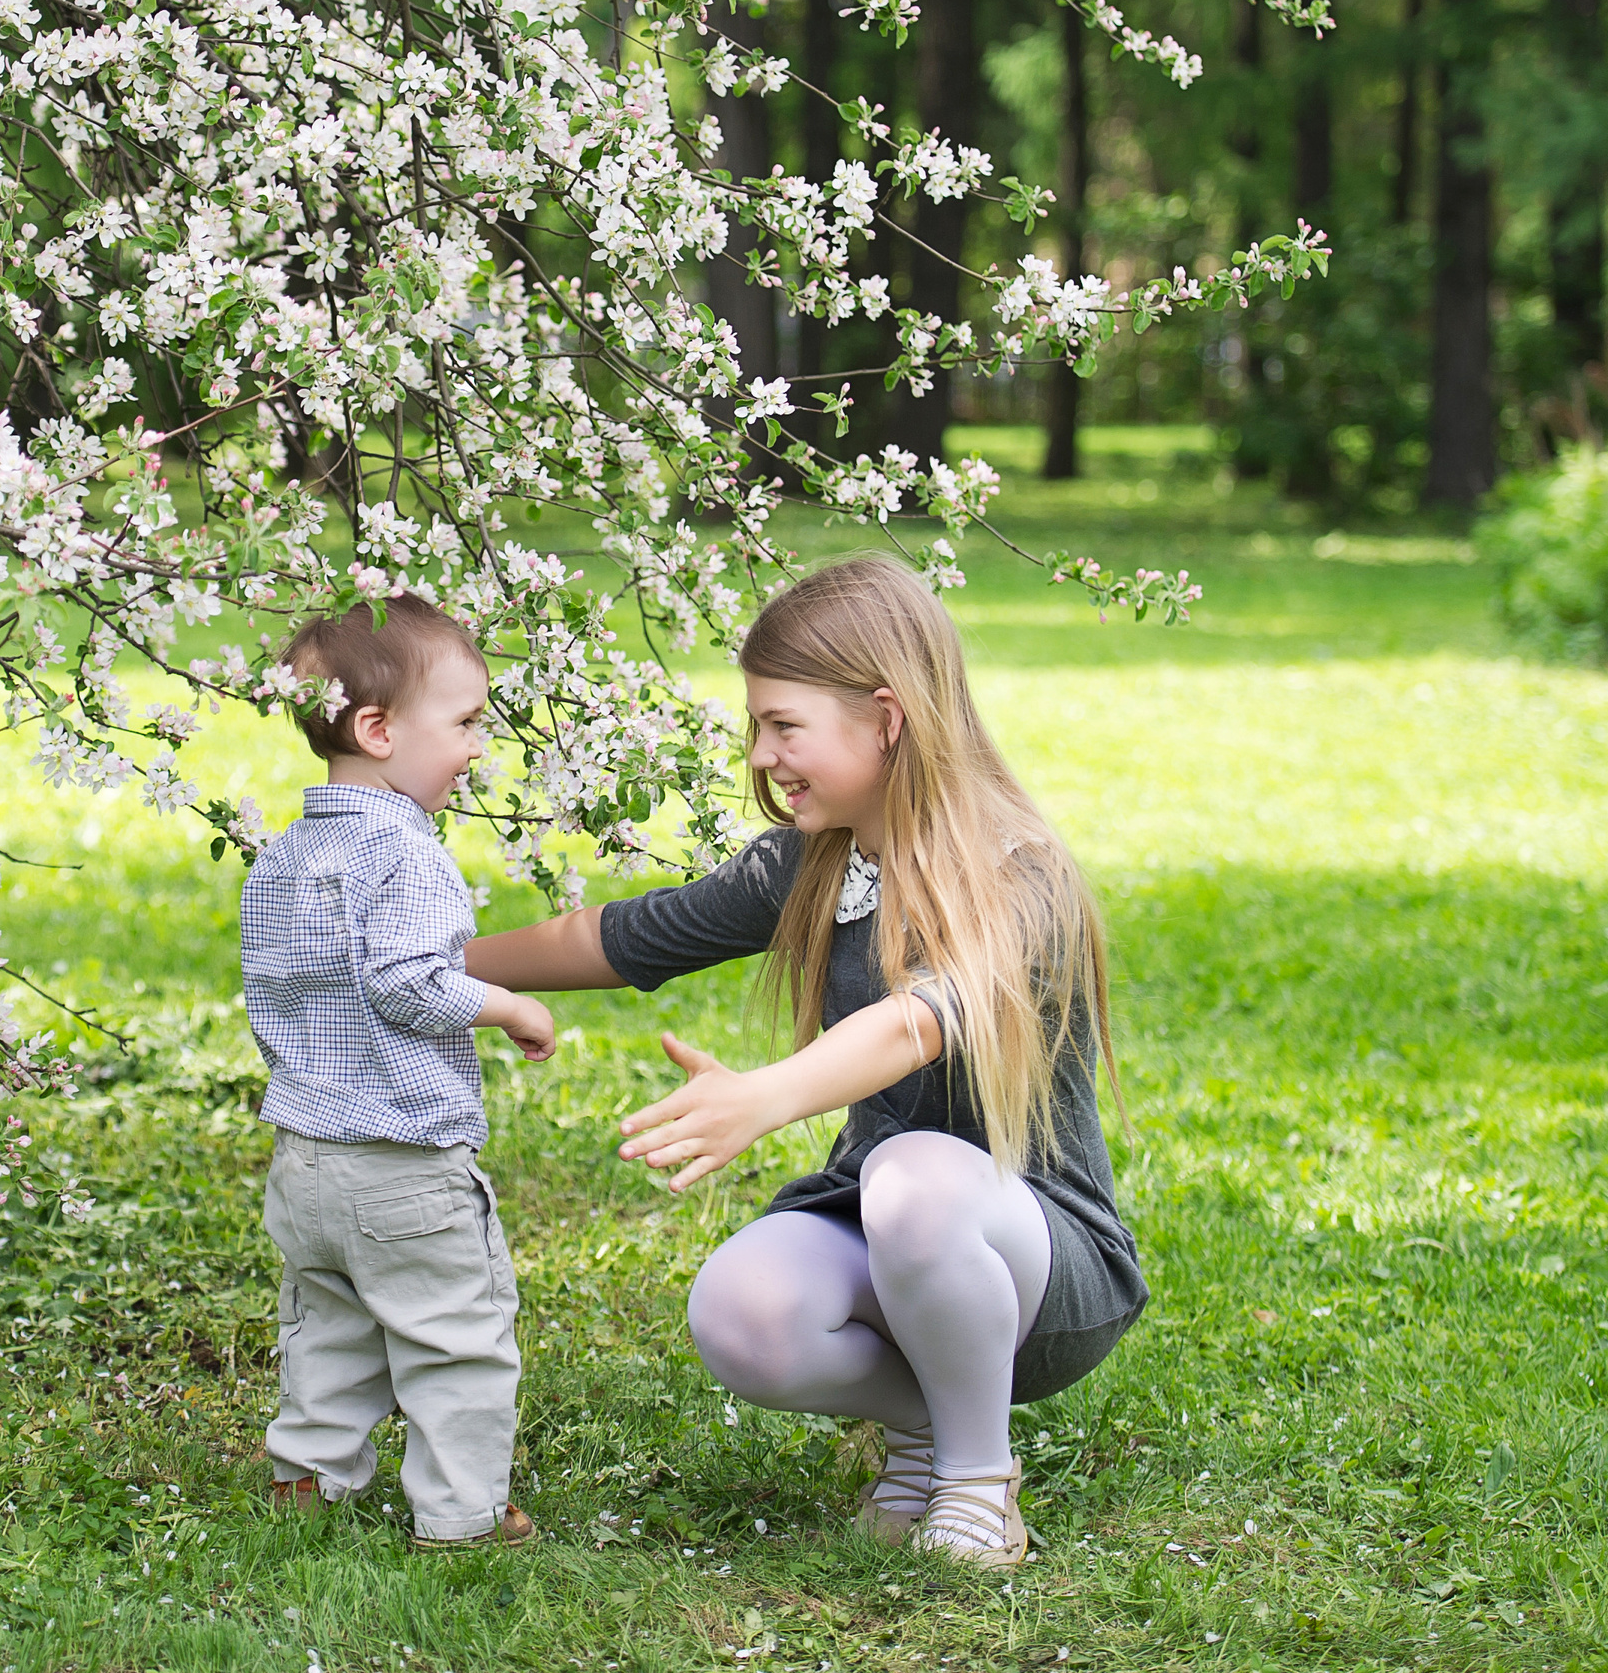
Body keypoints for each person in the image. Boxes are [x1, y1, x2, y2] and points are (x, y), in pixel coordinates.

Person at [463, 556, 1144, 1568]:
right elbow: (619, 936)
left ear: (885, 716)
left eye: (785, 725)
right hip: (884, 1217)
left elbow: (916, 1023)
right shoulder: (814, 862)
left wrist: (766, 1096)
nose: (762, 754)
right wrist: (432, 965)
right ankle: (926, 1425)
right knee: (741, 1314)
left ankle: (973, 1481)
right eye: (757, 726)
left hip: (1045, 1265)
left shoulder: (1018, 871)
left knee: (912, 1172)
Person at [242, 593, 558, 1548]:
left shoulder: (287, 854)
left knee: (330, 1325)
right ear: (377, 730)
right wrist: (507, 1004)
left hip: (304, 1159)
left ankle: (308, 1478)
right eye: (463, 724)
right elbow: (408, 984)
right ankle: (461, 1513)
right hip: (403, 1161)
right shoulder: (406, 851)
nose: (475, 749)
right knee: (455, 1335)